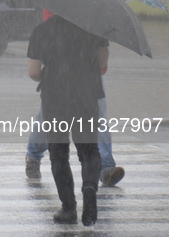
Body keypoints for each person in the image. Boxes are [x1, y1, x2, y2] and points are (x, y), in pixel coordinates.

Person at [25, 10, 125, 187]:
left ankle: (106, 167)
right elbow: (101, 59)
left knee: (97, 120)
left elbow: (101, 60)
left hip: (82, 77)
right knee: (46, 119)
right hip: (70, 75)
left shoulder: (92, 9)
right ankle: (33, 155)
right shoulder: (62, 2)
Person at [27, 14, 108, 226]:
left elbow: (33, 72)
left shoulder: (42, 31)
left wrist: (49, 72)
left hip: (55, 98)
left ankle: (69, 208)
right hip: (86, 95)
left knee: (59, 153)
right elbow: (102, 62)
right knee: (89, 150)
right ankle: (89, 186)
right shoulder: (93, 28)